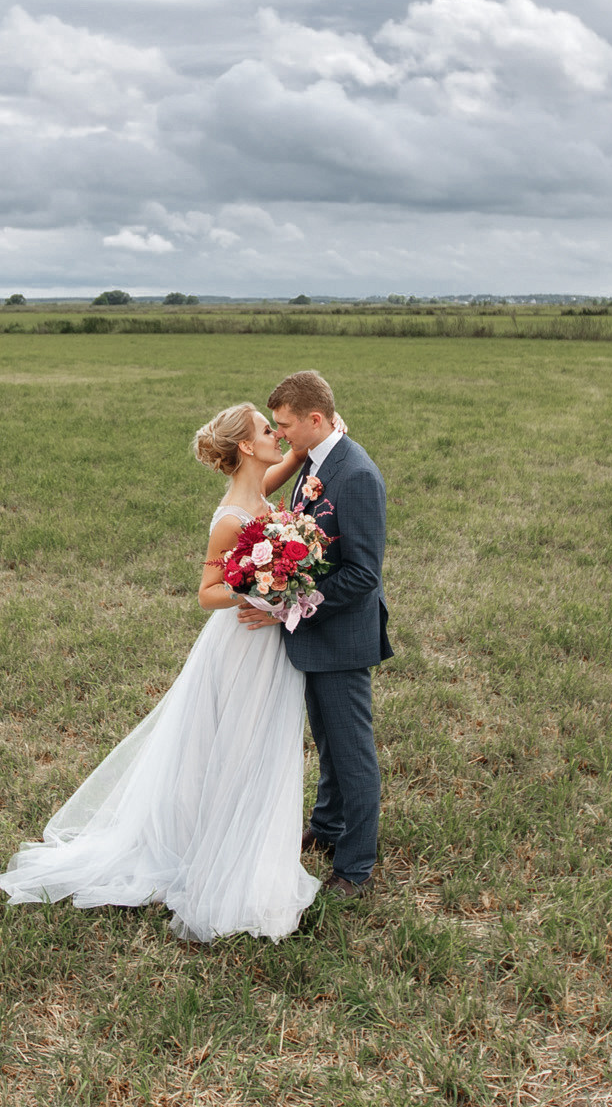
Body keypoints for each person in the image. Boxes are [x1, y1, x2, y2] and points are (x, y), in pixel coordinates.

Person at [0, 403, 322, 941]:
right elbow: (206, 593)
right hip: (240, 643)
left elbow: (291, 459)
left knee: (261, 743)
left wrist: (319, 430)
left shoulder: (262, 491)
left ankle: (250, 846)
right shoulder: (231, 519)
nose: (276, 437)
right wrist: (261, 591)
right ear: (245, 447)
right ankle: (216, 855)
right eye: (268, 430)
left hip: (267, 642)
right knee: (235, 744)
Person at [256, 369, 390, 898]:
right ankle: (329, 824)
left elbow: (362, 574)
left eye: (285, 425)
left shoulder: (354, 475)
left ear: (316, 418)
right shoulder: (315, 462)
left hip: (340, 639)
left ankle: (355, 866)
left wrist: (291, 606)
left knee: (351, 751)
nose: (280, 433)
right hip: (317, 639)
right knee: (328, 742)